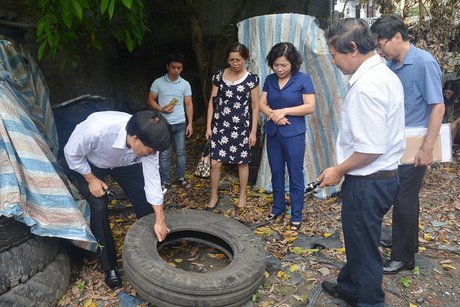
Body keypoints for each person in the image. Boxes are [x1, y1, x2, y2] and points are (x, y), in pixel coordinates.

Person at [319, 18, 405, 306]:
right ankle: (349, 285)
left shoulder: (368, 86)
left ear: (353, 48)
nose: (334, 62)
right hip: (381, 178)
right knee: (358, 240)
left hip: (368, 181)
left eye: (334, 54)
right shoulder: (383, 74)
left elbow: (370, 149)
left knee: (364, 248)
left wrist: (338, 170)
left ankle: (369, 300)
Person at [370, 14, 445, 274]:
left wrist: (427, 148)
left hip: (416, 144)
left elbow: (437, 106)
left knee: (403, 198)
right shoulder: (391, 65)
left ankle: (403, 258)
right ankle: (407, 242)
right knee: (403, 196)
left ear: (398, 37)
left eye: (381, 43)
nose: (379, 49)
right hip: (395, 143)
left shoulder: (423, 62)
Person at [64, 109, 171, 289]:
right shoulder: (96, 130)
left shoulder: (150, 144)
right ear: (135, 139)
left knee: (146, 203)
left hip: (127, 164)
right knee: (98, 207)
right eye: (150, 151)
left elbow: (153, 181)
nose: (153, 154)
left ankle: (154, 247)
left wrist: (160, 219)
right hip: (93, 163)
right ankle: (109, 266)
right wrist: (91, 179)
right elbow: (71, 153)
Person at [258, 42, 315, 231]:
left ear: (293, 63)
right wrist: (273, 115)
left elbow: (310, 106)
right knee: (276, 171)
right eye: (276, 65)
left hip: (294, 134)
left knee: (295, 173)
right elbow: (262, 104)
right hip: (274, 132)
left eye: (284, 65)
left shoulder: (303, 79)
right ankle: (278, 207)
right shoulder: (269, 79)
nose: (280, 69)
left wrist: (284, 111)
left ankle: (296, 214)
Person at [205, 43, 259, 212]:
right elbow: (212, 103)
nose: (235, 63)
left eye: (239, 60)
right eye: (232, 60)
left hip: (241, 128)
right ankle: (213, 195)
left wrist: (253, 132)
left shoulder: (252, 79)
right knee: (215, 163)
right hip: (221, 126)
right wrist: (208, 126)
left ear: (245, 60)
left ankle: (243, 195)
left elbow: (256, 106)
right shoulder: (219, 76)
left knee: (242, 163)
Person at [147, 52, 194, 190]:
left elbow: (189, 104)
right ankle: (165, 181)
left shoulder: (185, 84)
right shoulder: (158, 82)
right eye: (173, 67)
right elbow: (150, 100)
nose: (176, 70)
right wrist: (161, 110)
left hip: (180, 122)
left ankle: (180, 178)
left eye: (179, 68)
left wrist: (190, 123)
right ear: (167, 67)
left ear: (182, 68)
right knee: (165, 154)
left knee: (181, 152)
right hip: (163, 123)